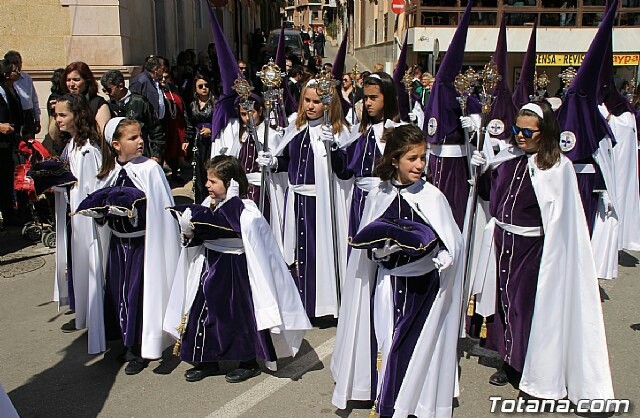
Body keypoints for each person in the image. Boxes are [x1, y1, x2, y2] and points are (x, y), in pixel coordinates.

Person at [469, 101, 614, 403]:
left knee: (526, 310)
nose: (520, 137)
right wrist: (482, 170)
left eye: (527, 132)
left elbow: (564, 220)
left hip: (532, 249)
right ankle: (508, 362)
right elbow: (487, 196)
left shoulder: (557, 168)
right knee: (504, 306)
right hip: (502, 243)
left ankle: (531, 370)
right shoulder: (507, 159)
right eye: (516, 130)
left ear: (544, 133)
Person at [331, 123, 463, 418]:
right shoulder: (380, 194)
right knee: (388, 342)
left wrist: (442, 256)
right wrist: (379, 251)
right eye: (412, 159)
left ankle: (405, 404)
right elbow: (367, 237)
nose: (419, 165)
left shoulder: (432, 196)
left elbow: (453, 241)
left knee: (415, 345)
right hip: (388, 284)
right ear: (394, 160)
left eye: (423, 158)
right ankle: (387, 398)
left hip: (422, 286)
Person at [164, 155, 311, 382]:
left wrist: (232, 205)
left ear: (231, 182)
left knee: (236, 316)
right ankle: (207, 359)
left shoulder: (247, 209)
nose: (207, 186)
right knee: (204, 314)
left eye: (213, 181)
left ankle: (246, 361)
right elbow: (197, 236)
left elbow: (249, 230)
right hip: (209, 265)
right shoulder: (206, 205)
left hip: (235, 269)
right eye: (207, 180)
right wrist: (188, 229)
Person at [77, 117, 180, 372]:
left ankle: (140, 349)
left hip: (143, 247)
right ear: (115, 144)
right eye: (132, 138)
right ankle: (124, 341)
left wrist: (136, 212)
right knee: (117, 294)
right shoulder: (109, 174)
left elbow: (162, 211)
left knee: (138, 295)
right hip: (116, 246)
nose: (140, 141)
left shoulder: (150, 170)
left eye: (140, 135)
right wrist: (101, 214)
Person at [258, 79, 350, 320]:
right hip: (296, 199)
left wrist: (334, 147)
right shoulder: (295, 128)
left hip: (320, 205)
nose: (310, 106)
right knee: (297, 252)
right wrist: (274, 162)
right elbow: (288, 160)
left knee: (317, 253)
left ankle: (321, 306)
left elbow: (344, 170)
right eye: (307, 100)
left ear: (328, 104)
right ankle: (301, 304)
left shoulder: (338, 130)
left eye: (317, 102)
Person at [49, 94, 102, 342]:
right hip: (74, 215)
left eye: (62, 115)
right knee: (78, 266)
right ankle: (84, 313)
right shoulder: (71, 145)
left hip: (86, 220)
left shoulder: (87, 150)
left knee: (88, 266)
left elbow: (90, 189)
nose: (58, 119)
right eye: (56, 115)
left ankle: (95, 316)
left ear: (76, 116)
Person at [334, 72, 399, 240]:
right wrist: (333, 147)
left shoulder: (397, 131)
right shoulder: (358, 133)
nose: (368, 103)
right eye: (365, 98)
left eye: (373, 98)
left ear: (388, 97)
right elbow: (345, 171)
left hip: (386, 200)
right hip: (360, 200)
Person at [100, 70, 164, 162]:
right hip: (119, 158)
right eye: (104, 90)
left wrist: (156, 155)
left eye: (109, 90)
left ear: (120, 86)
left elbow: (156, 129)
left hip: (141, 155)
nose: (106, 93)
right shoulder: (108, 106)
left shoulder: (140, 102)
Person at [185, 74, 216, 203]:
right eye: (201, 86)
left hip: (212, 141)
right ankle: (200, 201)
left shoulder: (215, 103)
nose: (204, 88)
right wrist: (187, 140)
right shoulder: (192, 105)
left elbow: (221, 123)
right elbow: (189, 124)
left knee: (210, 169)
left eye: (206, 85)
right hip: (198, 142)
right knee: (198, 172)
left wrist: (211, 130)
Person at [0, 58, 24, 229]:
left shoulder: (11, 89)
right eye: (15, 70)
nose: (19, 72)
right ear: (6, 73)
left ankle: (10, 215)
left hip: (9, 144)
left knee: (7, 181)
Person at [63, 62, 111, 135]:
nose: (71, 84)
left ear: (87, 81)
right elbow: (54, 135)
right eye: (68, 80)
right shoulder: (64, 102)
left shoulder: (98, 104)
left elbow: (103, 134)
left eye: (76, 80)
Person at [160, 70, 190, 180]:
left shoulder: (174, 88)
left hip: (177, 123)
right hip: (165, 126)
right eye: (161, 77)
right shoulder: (156, 91)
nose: (163, 80)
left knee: (176, 148)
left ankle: (175, 172)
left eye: (166, 77)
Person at [4, 51, 40, 139]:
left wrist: (37, 119)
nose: (15, 66)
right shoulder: (5, 81)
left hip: (28, 115)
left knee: (29, 144)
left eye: (17, 63)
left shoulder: (26, 78)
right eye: (12, 63)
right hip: (13, 116)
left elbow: (34, 99)